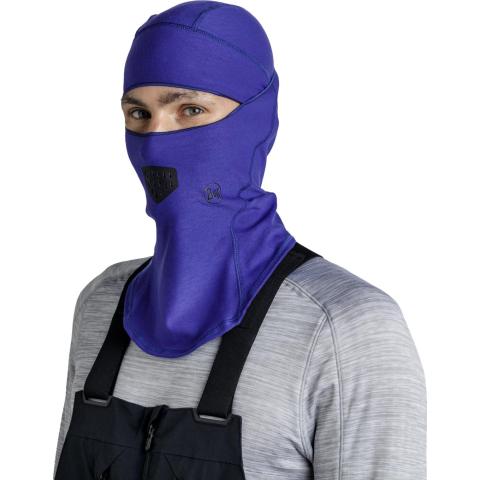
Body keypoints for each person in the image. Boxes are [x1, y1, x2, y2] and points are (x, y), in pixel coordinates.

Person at [53, 1, 427, 479]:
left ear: (254, 121)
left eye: (190, 109)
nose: (155, 138)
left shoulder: (344, 325)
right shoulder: (103, 303)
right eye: (138, 113)